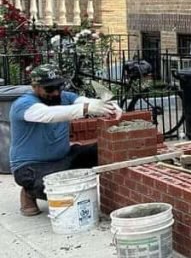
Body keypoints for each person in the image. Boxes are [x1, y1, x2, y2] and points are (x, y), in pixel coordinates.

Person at [11, 64, 121, 216]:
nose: (56, 92)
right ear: (35, 87)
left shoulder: (64, 97)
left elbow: (82, 100)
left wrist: (109, 106)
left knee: (102, 150)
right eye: (49, 89)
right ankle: (30, 192)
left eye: (59, 87)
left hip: (64, 158)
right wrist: (86, 109)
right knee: (56, 188)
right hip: (30, 167)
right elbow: (47, 115)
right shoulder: (23, 104)